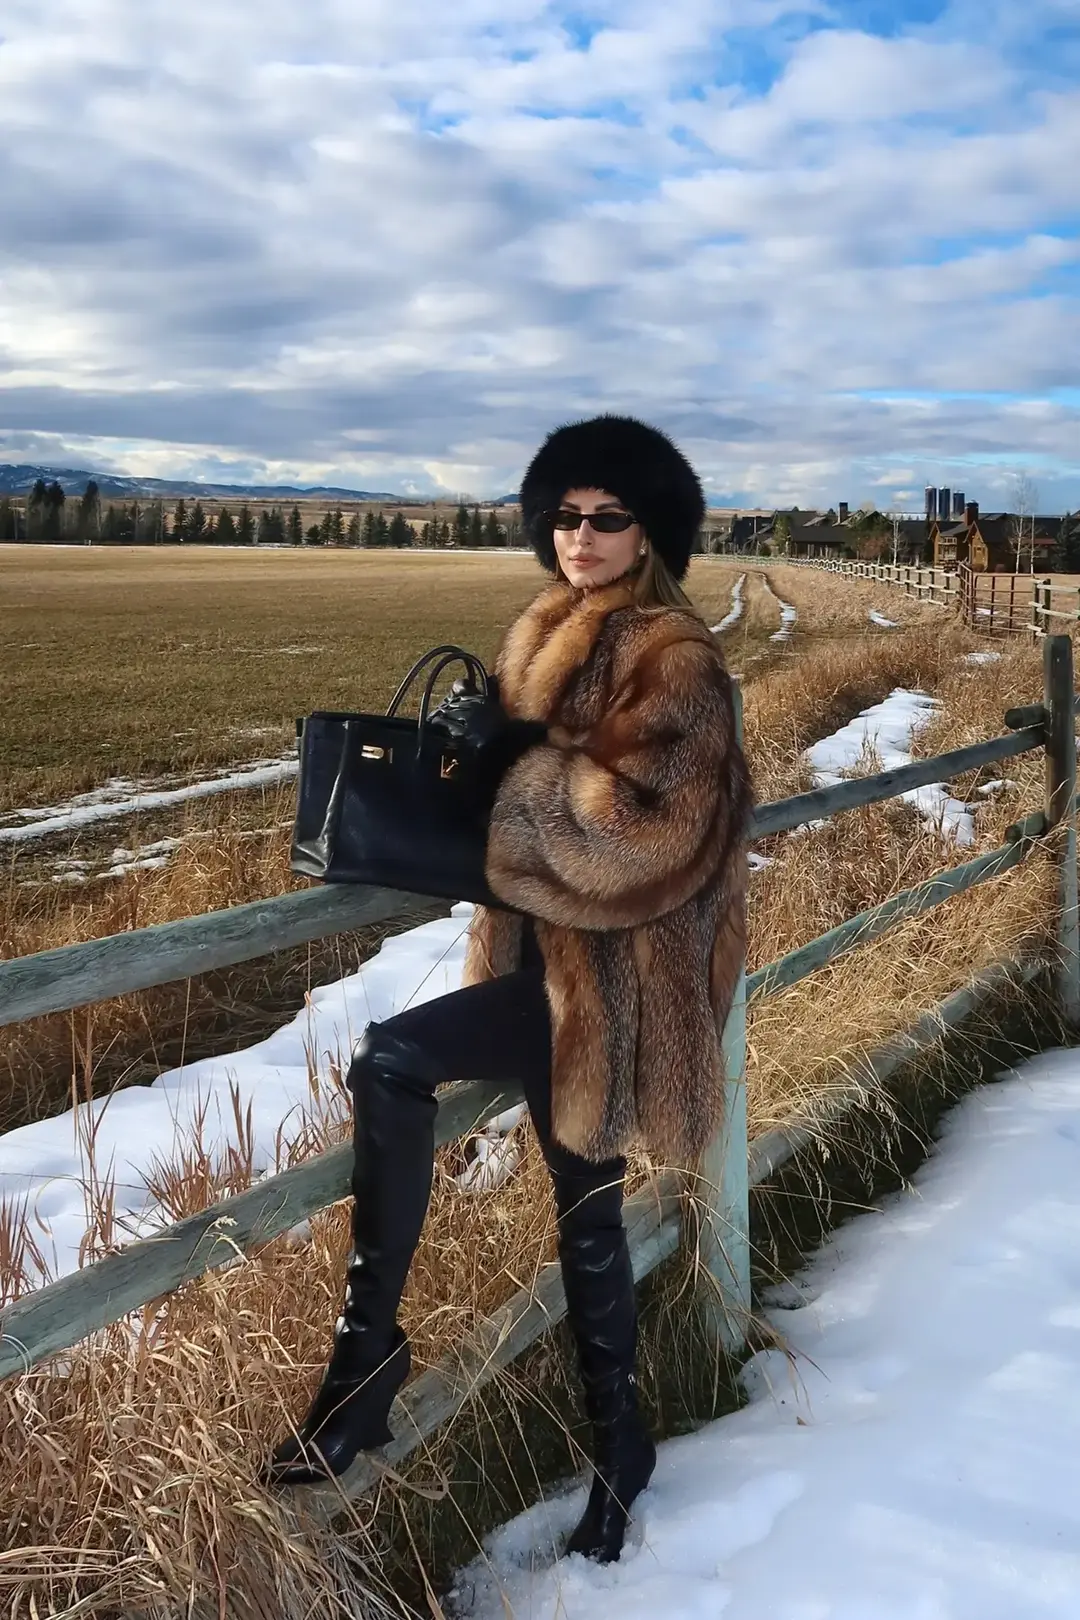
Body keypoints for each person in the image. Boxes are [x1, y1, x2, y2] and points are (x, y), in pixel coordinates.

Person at [266, 414, 753, 1565]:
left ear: (649, 533)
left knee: (518, 1167)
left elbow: (648, 839)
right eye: (565, 515)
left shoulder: (675, 660)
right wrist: (481, 748)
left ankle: (453, 1390)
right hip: (541, 971)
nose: (579, 535)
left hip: (624, 989)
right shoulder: (540, 632)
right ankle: (430, 1379)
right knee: (511, 1158)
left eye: (607, 517)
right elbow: (513, 795)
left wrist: (513, 767)